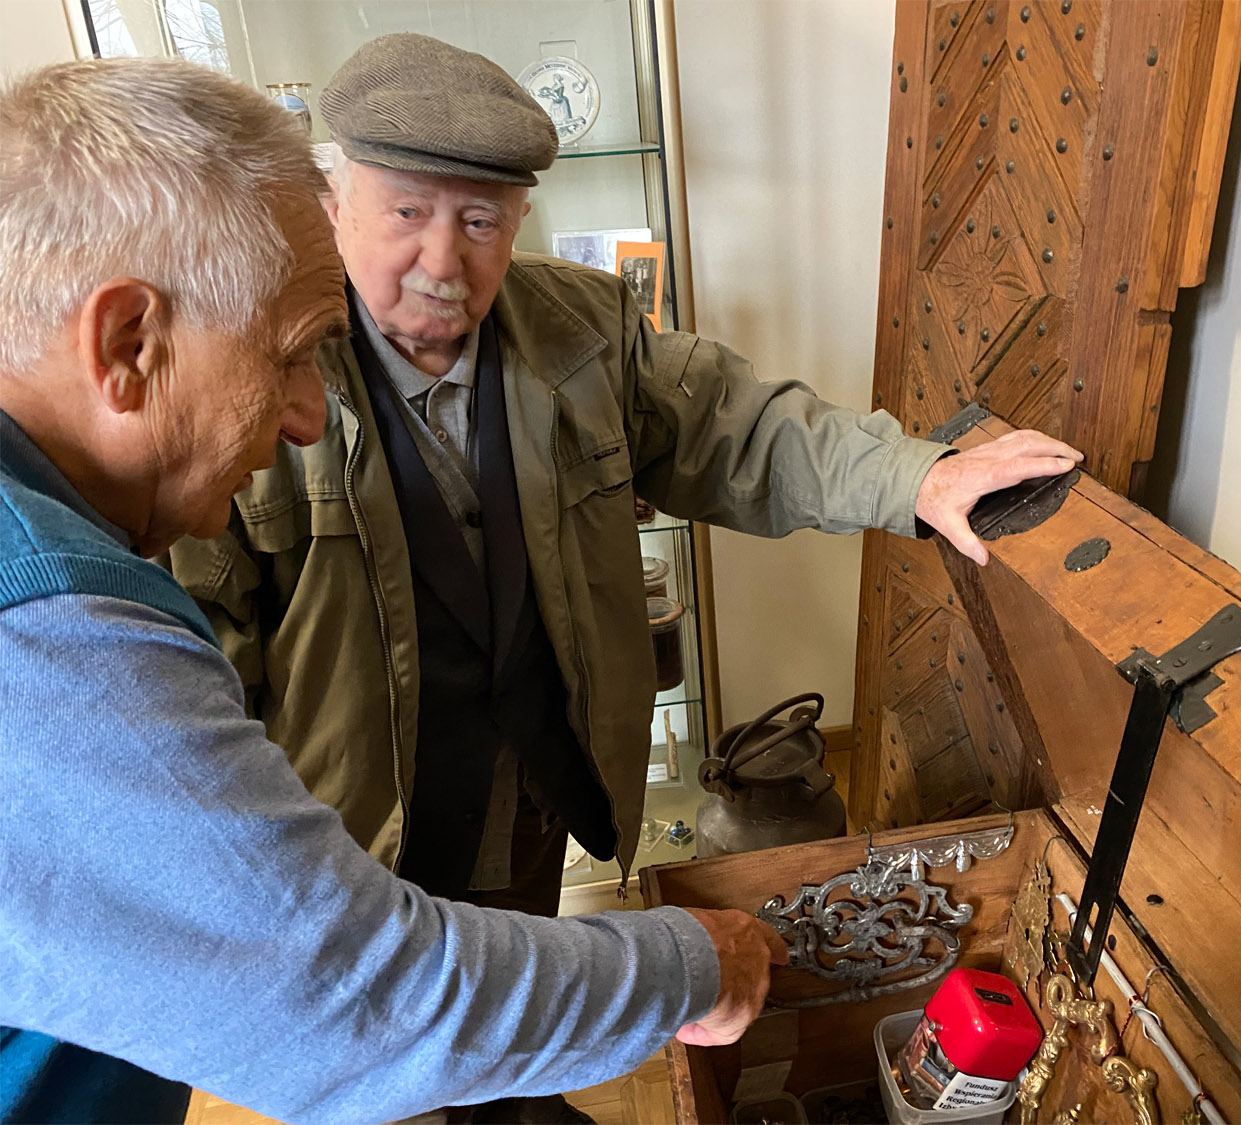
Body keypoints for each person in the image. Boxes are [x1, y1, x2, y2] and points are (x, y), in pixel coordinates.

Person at [168, 32, 1086, 1121]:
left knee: (513, 973)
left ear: (519, 220)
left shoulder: (583, 331)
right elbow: (189, 645)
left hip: (538, 777)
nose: (442, 263)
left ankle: (507, 1095)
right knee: (386, 1051)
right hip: (357, 819)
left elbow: (741, 431)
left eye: (480, 220)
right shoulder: (258, 365)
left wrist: (920, 476)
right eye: (406, 212)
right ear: (337, 201)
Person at [0, 56, 783, 1125]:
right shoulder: (55, 636)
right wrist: (688, 966)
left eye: (483, 221)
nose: (307, 417)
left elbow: (739, 427)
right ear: (128, 344)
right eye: (284, 358)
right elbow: (350, 1000)